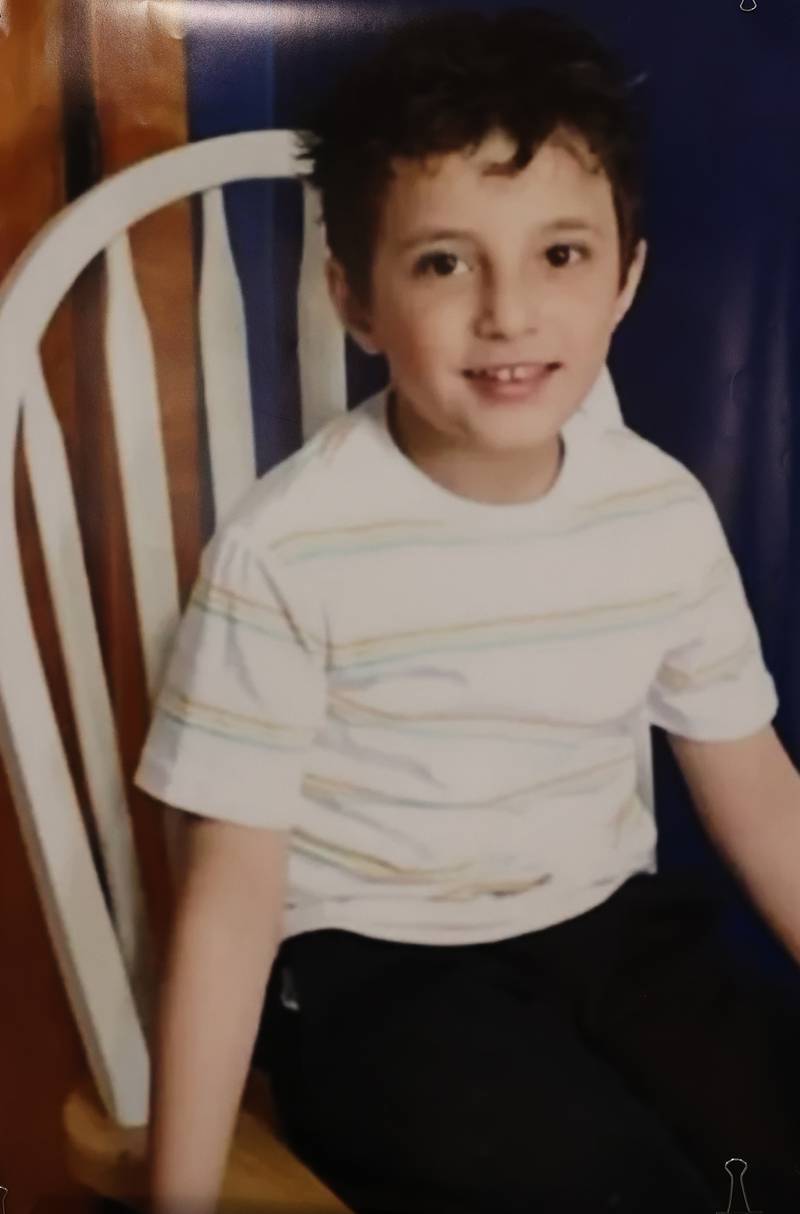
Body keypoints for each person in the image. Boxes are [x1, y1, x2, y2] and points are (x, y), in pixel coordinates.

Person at [135, 8, 800, 1213]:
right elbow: (230, 893)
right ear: (353, 296)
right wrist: (177, 1194)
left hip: (607, 927)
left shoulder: (654, 512)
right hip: (375, 971)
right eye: (444, 261)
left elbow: (754, 787)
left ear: (625, 277)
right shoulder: (291, 545)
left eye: (559, 254)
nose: (508, 312)